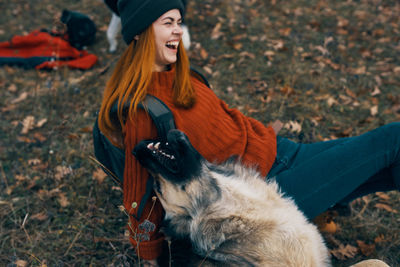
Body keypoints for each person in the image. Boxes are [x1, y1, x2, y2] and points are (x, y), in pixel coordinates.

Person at [97, 0, 400, 265]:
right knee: (393, 140)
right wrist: (149, 253)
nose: (178, 31)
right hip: (265, 197)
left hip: (281, 153)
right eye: (167, 23)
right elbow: (139, 191)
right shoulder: (142, 108)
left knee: (388, 158)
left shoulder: (183, 76)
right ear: (140, 32)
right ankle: (321, 204)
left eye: (179, 22)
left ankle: (325, 205)